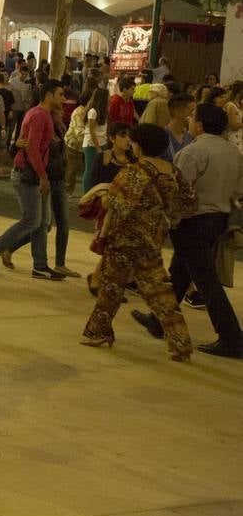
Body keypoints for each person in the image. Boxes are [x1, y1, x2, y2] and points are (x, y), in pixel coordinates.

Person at [132, 103, 243, 358]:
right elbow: (239, 192)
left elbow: (178, 190)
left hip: (193, 220)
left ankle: (232, 338)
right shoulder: (234, 153)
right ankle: (159, 320)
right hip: (219, 219)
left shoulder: (193, 152)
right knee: (181, 270)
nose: (190, 120)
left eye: (193, 117)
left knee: (205, 280)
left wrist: (166, 217)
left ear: (200, 125)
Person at [81, 125, 196, 360]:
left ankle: (97, 332)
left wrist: (102, 193)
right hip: (153, 238)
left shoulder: (135, 171)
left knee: (111, 289)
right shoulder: (172, 171)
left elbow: (118, 205)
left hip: (125, 239)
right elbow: (188, 205)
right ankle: (181, 343)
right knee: (161, 292)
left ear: (139, 145)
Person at [0, 80, 72, 280]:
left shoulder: (42, 115)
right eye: (60, 94)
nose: (64, 99)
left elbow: (31, 145)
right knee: (32, 220)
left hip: (31, 174)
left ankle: (40, 266)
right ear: (49, 95)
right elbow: (32, 148)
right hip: (28, 174)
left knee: (41, 223)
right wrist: (43, 177)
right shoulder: (40, 116)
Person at [81, 87, 111, 192]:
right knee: (89, 169)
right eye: (108, 96)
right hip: (91, 144)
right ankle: (86, 193)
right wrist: (97, 147)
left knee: (99, 169)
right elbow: (91, 131)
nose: (109, 98)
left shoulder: (104, 110)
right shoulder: (93, 111)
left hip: (102, 142)